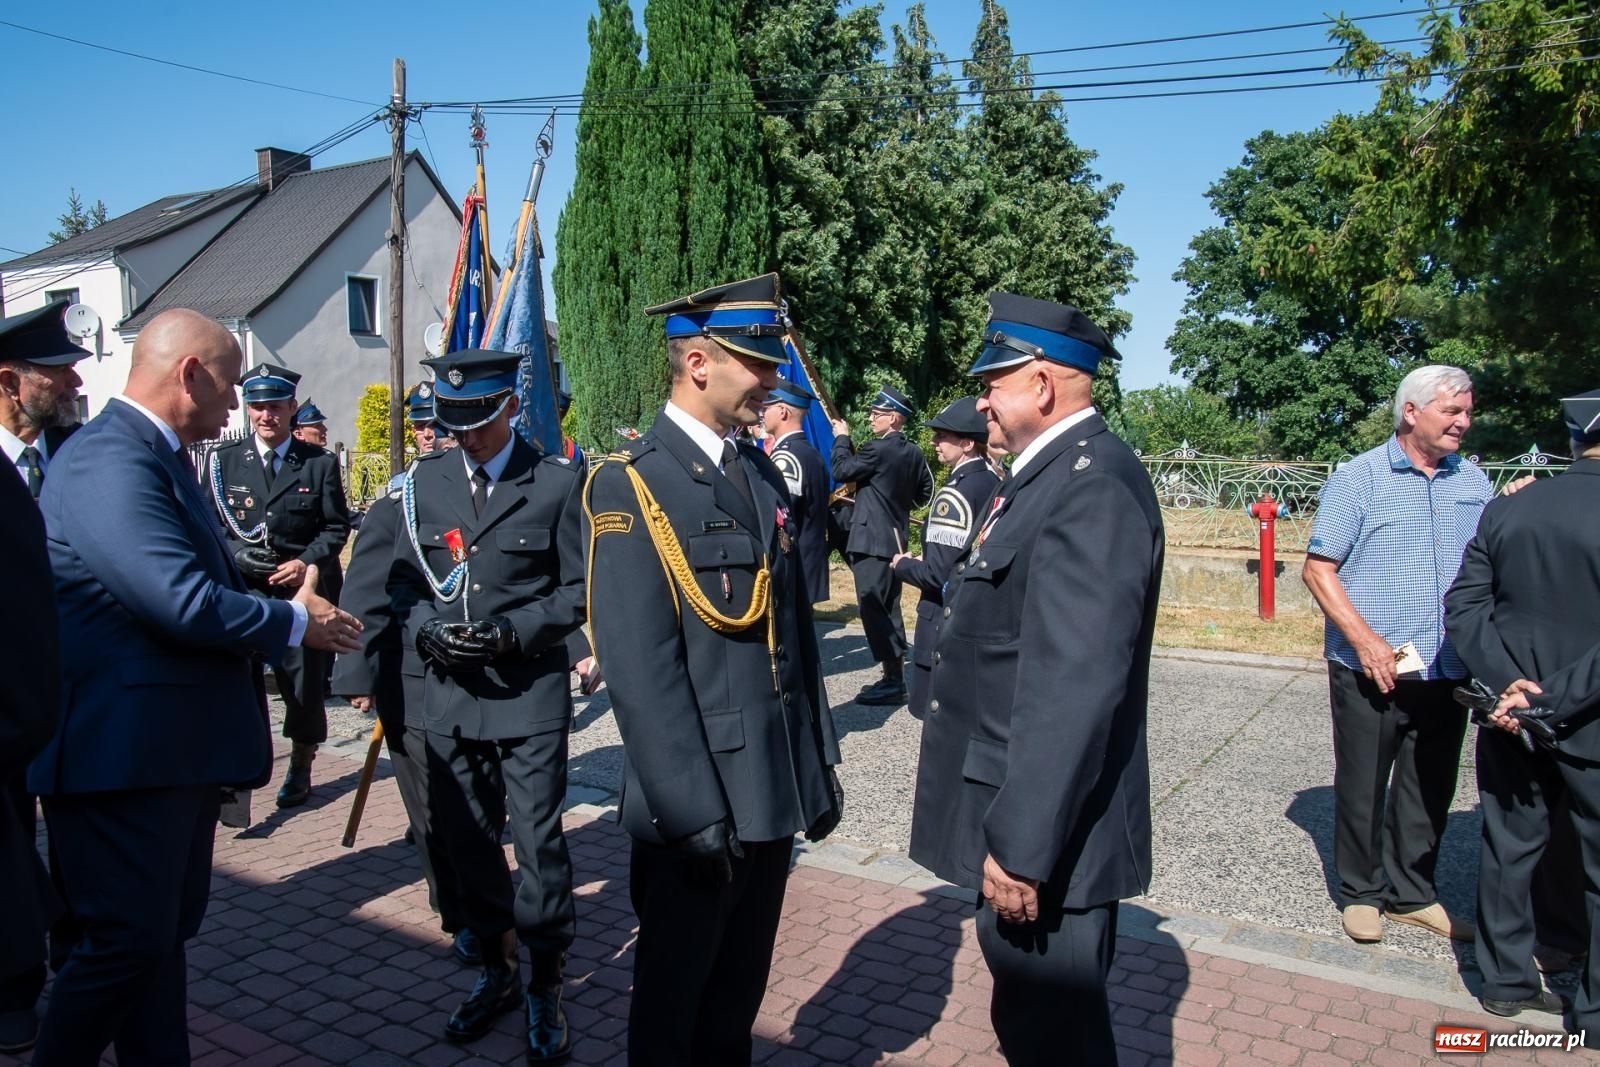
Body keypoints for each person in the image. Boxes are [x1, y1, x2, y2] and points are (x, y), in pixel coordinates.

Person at [29, 307, 359, 1066]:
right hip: (120, 762)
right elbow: (178, 598)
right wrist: (288, 621)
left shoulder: (158, 454)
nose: (238, 401)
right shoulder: (110, 459)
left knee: (156, 947)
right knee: (122, 948)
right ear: (189, 374)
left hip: (160, 760)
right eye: (231, 383)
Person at [585, 273, 842, 1067]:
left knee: (734, 1007)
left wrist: (817, 768)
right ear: (698, 362)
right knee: (672, 1013)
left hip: (768, 791)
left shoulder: (759, 472)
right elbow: (641, 669)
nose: (772, 381)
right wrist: (692, 812)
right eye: (756, 365)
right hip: (693, 805)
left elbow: (791, 641)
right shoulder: (631, 483)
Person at [908, 293, 1161, 1065]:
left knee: (1056, 1039)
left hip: (1050, 843)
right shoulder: (1044, 475)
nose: (981, 400)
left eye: (994, 382)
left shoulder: (1090, 485)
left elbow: (1074, 686)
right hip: (1030, 822)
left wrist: (1020, 847)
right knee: (1031, 1025)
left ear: (1043, 385)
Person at [389, 348, 588, 1062]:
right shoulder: (425, 482)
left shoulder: (558, 481)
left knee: (537, 844)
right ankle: (498, 967)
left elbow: (576, 589)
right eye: (452, 422)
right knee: (465, 842)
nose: (463, 435)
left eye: (477, 420)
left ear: (509, 405)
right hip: (450, 696)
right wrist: (427, 632)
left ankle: (544, 979)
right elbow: (404, 584)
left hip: (527, 692)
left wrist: (512, 631)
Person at [1301, 364, 1490, 945]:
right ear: (1412, 412)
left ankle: (1412, 892)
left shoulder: (1472, 483)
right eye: (1451, 411)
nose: (1464, 422)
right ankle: (1360, 893)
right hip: (1370, 665)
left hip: (1446, 664)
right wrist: (1364, 639)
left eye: (1466, 411)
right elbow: (1318, 567)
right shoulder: (1361, 478)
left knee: (1430, 782)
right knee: (1363, 782)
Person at [1444, 387, 1600, 1029]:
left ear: (1571, 441)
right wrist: (1554, 700)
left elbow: (1465, 606)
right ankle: (1593, 1010)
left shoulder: (1511, 507)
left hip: (1510, 714)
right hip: (1588, 718)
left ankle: (1505, 981)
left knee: (1510, 845)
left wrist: (1511, 685)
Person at [329, 468, 478, 967]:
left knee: (482, 804)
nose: (437, 439)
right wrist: (356, 674)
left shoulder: (493, 495)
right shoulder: (399, 502)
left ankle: (482, 898)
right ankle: (459, 913)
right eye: (425, 428)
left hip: (479, 681)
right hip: (411, 684)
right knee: (432, 806)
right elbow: (365, 591)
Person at [208, 363, 351, 809]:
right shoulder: (223, 463)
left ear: (292, 409)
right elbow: (209, 525)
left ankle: (302, 763)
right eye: (257, 407)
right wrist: (236, 553)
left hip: (298, 592)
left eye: (274, 406)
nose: (265, 416)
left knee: (302, 687)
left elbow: (335, 527)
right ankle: (240, 774)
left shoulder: (317, 464)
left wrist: (304, 561)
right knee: (238, 685)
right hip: (245, 592)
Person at [891, 396, 1000, 720]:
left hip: (941, 622)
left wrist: (902, 565)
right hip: (977, 620)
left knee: (940, 728)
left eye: (942, 436)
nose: (934, 442)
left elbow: (938, 574)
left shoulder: (954, 493)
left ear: (967, 443)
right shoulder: (994, 482)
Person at [830, 385, 933, 705]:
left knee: (873, 606)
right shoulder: (914, 453)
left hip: (870, 538)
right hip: (894, 538)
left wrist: (842, 439)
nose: (871, 419)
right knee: (888, 607)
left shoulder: (877, 449)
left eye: (876, 414)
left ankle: (892, 680)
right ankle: (893, 678)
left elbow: (840, 470)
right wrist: (896, 501)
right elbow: (924, 492)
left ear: (893, 418)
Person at [0, 298, 89, 499]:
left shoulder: (84, 448)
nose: (76, 381)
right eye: (61, 369)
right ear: (9, 382)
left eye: (72, 368)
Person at [762, 379, 831, 605]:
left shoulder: (786, 457)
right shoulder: (809, 453)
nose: (762, 412)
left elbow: (778, 518)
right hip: (806, 563)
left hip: (793, 565)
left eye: (767, 407)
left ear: (782, 411)